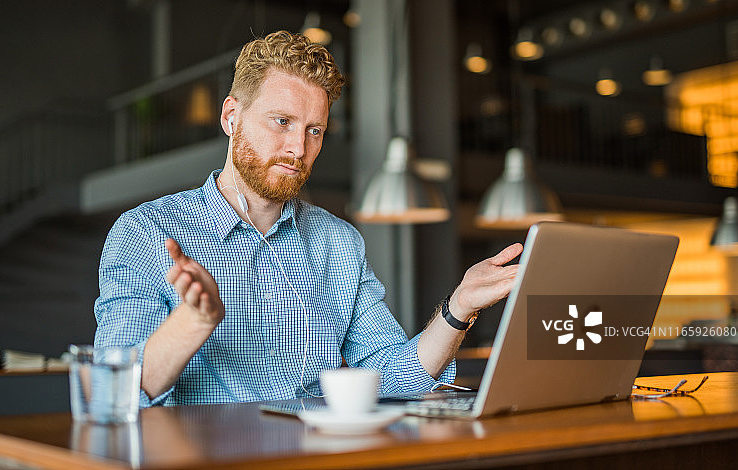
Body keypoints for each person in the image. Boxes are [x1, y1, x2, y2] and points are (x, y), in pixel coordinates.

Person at [94, 30, 522, 407]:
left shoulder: (339, 242)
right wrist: (193, 322)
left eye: (314, 130)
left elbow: (394, 379)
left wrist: (458, 307)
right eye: (282, 122)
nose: (298, 148)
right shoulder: (147, 233)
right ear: (231, 116)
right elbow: (115, 396)